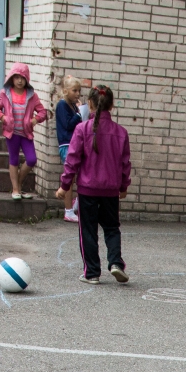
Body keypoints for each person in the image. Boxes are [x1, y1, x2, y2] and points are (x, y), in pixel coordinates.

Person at [58, 84, 131, 285]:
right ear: (112, 105)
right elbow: (125, 163)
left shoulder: (82, 129)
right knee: (112, 227)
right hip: (110, 190)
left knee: (88, 230)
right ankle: (116, 262)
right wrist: (123, 186)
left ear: (89, 104)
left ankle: (92, 272)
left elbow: (72, 160)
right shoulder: (121, 132)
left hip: (88, 189)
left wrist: (64, 185)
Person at [0, 62, 47, 200]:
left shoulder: (32, 95)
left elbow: (43, 112)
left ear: (27, 79)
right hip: (12, 133)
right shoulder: (5, 93)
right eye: (16, 77)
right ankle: (16, 189)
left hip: (26, 134)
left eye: (22, 78)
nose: (20, 81)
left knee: (32, 159)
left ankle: (18, 184)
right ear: (11, 78)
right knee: (14, 160)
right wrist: (3, 117)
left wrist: (34, 120)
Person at [53, 75, 84, 222]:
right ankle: (68, 210)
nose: (77, 94)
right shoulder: (62, 105)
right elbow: (68, 124)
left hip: (74, 143)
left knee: (80, 173)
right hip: (66, 144)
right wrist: (79, 113)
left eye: (79, 90)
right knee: (69, 177)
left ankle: (75, 202)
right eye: (74, 91)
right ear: (66, 91)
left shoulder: (71, 105)